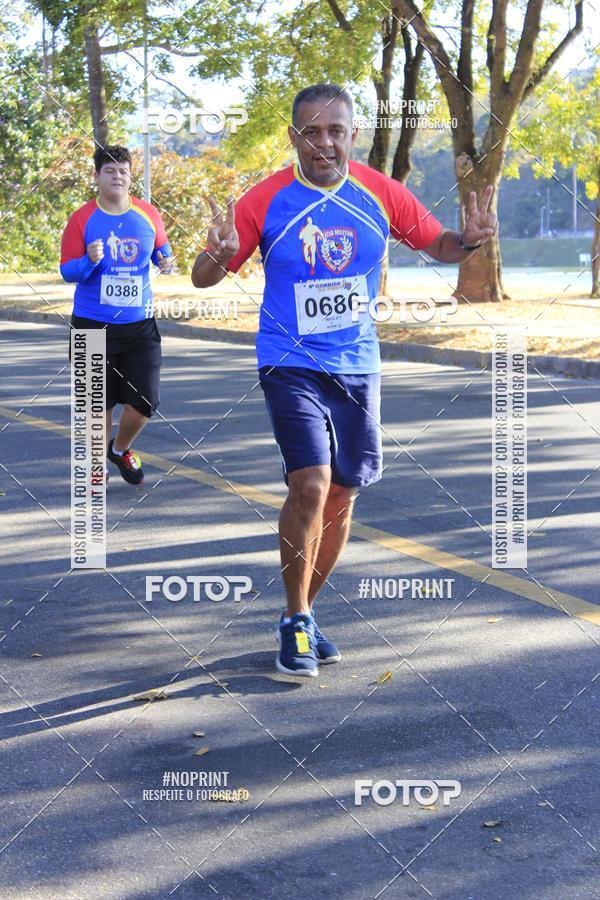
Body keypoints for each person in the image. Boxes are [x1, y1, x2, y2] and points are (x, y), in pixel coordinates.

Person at [191, 83, 497, 677]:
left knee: (342, 494)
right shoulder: (266, 199)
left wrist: (473, 242)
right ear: (294, 137)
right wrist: (215, 253)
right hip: (289, 360)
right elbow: (206, 276)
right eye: (312, 131)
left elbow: (442, 245)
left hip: (357, 364)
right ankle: (297, 617)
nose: (324, 142)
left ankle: (304, 613)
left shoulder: (381, 194)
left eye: (335, 131)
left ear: (353, 135)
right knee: (310, 483)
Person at [61, 146, 173, 485]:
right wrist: (89, 262)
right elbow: (68, 271)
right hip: (92, 326)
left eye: (123, 170)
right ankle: (96, 464)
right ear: (97, 177)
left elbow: (162, 252)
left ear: (130, 176)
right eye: (110, 171)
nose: (118, 176)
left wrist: (166, 262)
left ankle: (121, 449)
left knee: (145, 402)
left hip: (139, 326)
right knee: (98, 407)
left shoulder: (148, 214)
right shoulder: (82, 218)